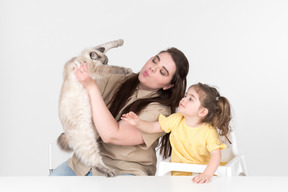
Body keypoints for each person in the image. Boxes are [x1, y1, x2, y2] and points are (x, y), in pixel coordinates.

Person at [50, 47, 189, 176]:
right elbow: (79, 91)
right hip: (83, 164)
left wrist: (91, 87)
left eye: (162, 72)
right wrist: (85, 65)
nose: (153, 68)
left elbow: (111, 135)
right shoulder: (119, 78)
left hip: (123, 171)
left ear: (168, 85)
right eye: (154, 60)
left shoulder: (160, 113)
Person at [121, 83, 232, 183]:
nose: (183, 100)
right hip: (180, 173)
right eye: (185, 96)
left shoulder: (208, 131)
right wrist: (138, 122)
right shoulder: (176, 119)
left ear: (202, 111)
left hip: (202, 173)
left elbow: (216, 156)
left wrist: (207, 174)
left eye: (191, 99)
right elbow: (153, 127)